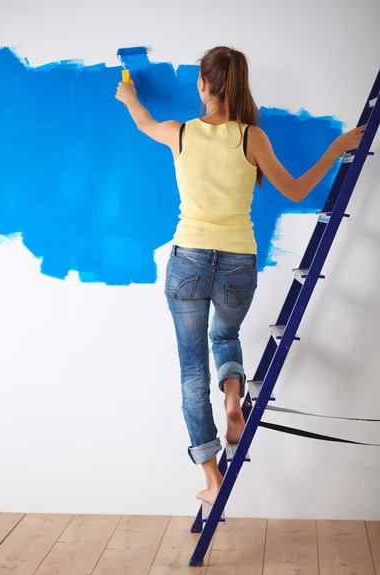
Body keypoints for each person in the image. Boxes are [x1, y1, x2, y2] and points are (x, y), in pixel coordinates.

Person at [115, 46, 365, 504]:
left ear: (202, 85)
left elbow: (142, 121)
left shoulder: (181, 134)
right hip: (238, 261)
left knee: (192, 370)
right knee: (224, 336)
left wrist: (128, 95)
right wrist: (335, 147)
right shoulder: (252, 138)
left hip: (188, 259)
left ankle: (212, 480)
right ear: (240, 85)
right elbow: (295, 189)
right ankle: (234, 395)